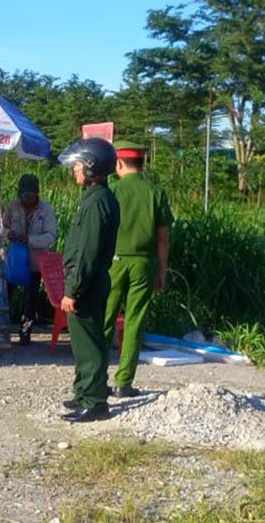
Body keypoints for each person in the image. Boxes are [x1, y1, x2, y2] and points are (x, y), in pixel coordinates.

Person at [104, 140, 174, 398]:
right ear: (142, 163)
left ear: (119, 163)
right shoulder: (156, 192)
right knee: (134, 322)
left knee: (105, 318)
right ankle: (124, 382)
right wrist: (162, 270)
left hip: (112, 263)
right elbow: (163, 235)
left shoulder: (110, 190)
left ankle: (98, 380)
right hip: (144, 263)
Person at [57, 137, 120, 423]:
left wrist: (73, 289)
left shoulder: (98, 203)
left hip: (87, 282)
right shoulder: (94, 197)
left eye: (78, 165)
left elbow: (87, 252)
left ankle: (95, 402)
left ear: (92, 167)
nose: (75, 170)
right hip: (86, 281)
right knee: (82, 342)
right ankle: (84, 391)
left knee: (90, 343)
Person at [3, 174, 58, 344]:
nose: (25, 199)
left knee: (30, 300)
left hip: (35, 262)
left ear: (36, 194)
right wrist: (8, 234)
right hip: (14, 261)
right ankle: (1, 327)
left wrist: (31, 240)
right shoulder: (12, 206)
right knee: (5, 294)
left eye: (29, 195)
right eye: (23, 195)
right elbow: (2, 226)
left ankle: (25, 332)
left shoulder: (46, 209)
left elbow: (51, 236)